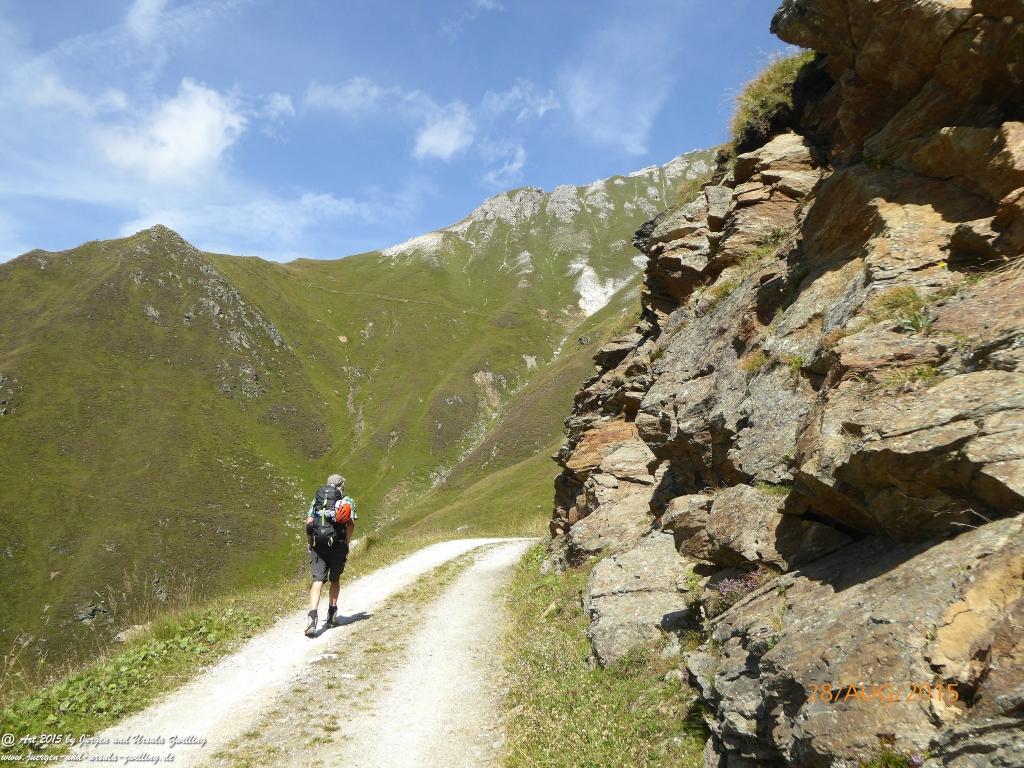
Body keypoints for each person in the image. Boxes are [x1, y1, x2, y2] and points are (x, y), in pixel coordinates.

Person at [304, 473, 356, 637]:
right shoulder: (347, 501)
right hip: (338, 545)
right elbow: (351, 524)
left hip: (318, 545)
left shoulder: (317, 499)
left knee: (317, 580)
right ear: (341, 485)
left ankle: (312, 618)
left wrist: (310, 541)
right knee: (334, 580)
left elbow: (309, 522)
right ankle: (332, 615)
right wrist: (347, 543)